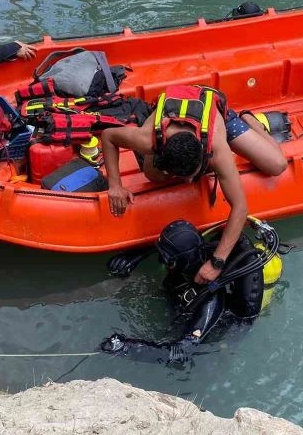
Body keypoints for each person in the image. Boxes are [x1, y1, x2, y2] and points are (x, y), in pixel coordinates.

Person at [100, 85, 288, 286]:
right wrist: (115, 185)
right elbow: (108, 136)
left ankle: (250, 120)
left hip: (216, 116)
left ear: (205, 156)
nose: (189, 182)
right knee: (153, 175)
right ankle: (169, 166)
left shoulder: (217, 149)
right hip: (169, 118)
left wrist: (217, 263)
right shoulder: (149, 140)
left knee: (277, 164)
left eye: (192, 175)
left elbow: (240, 208)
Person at [100, 218, 283, 365]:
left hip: (209, 333)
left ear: (183, 262)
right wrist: (134, 257)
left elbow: (180, 353)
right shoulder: (187, 267)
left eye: (168, 261)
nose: (164, 264)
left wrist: (127, 347)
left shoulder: (211, 301)